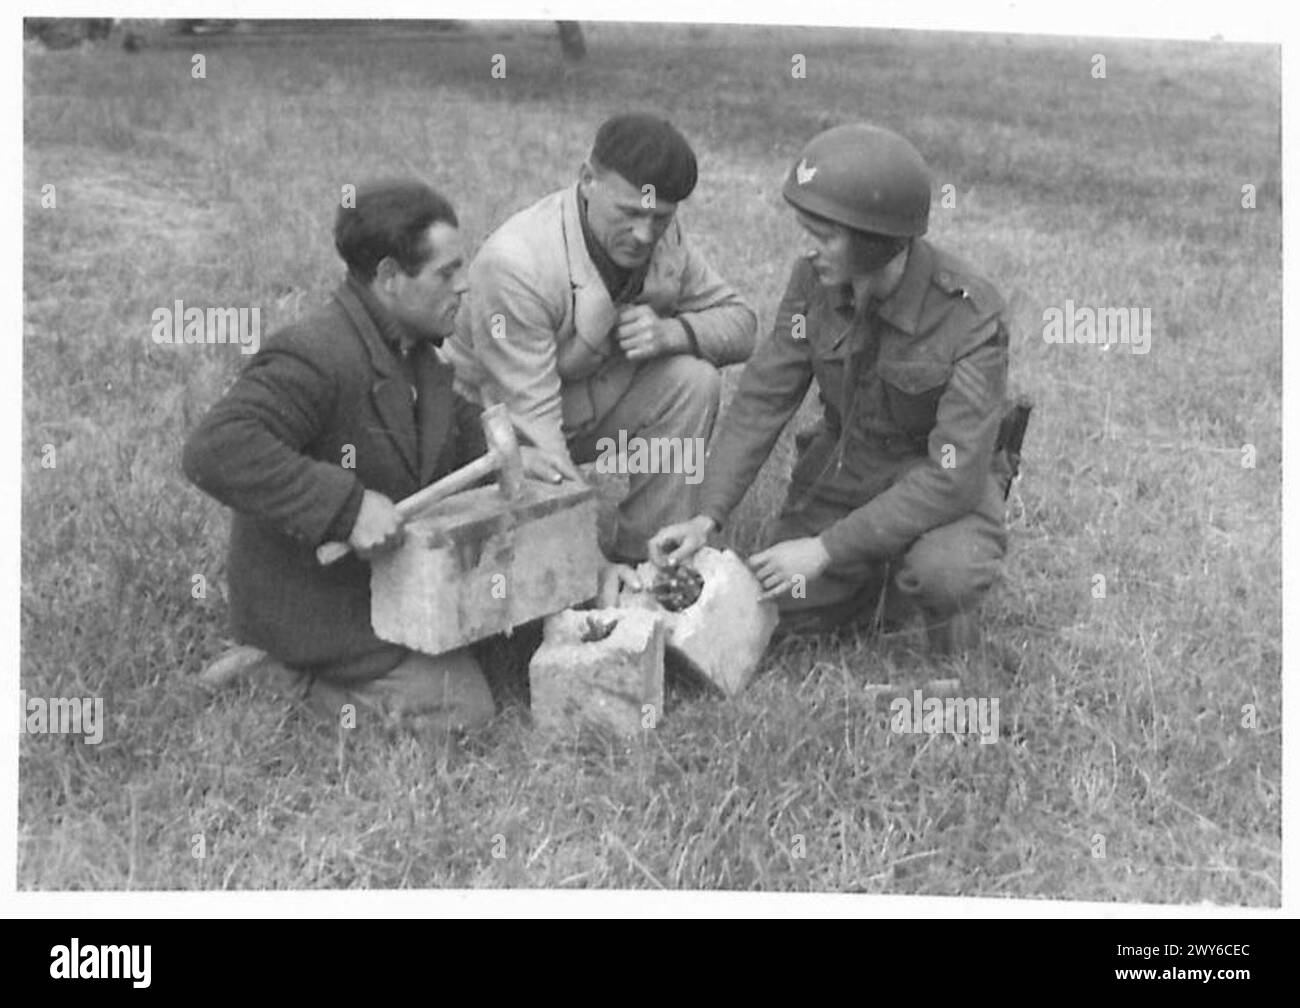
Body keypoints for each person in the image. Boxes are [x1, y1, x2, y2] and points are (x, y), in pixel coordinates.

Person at [183, 179, 570, 732]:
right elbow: (215, 448)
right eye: (446, 273)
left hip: (389, 582)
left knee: (512, 638)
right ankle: (280, 675)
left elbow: (443, 426)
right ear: (388, 277)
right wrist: (346, 508)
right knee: (462, 710)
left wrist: (509, 456)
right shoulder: (315, 353)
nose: (464, 285)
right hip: (320, 605)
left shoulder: (416, 349)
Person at [649, 124, 1013, 655]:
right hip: (846, 472)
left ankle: (923, 593)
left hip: (937, 484)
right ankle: (876, 580)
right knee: (774, 611)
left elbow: (953, 478)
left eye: (824, 236)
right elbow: (763, 399)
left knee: (943, 574)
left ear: (876, 240)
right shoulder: (813, 284)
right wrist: (707, 516)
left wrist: (826, 548)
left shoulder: (970, 313)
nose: (809, 250)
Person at [442, 113, 758, 564]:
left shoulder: (661, 236)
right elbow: (536, 436)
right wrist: (588, 566)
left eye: (661, 218)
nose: (644, 235)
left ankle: (651, 561)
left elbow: (743, 325)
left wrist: (672, 332)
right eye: (629, 214)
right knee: (546, 551)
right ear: (587, 179)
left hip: (580, 402)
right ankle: (586, 582)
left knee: (694, 379)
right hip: (490, 434)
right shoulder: (517, 263)